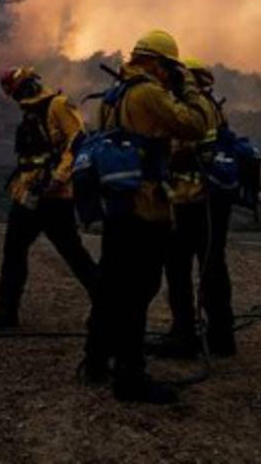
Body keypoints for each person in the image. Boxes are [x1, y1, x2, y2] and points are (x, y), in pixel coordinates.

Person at [82, 30, 210, 404]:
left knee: (110, 286)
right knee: (138, 291)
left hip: (117, 207)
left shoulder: (113, 95)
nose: (173, 72)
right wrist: (190, 88)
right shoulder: (148, 93)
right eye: (171, 66)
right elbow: (195, 126)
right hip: (145, 207)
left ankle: (95, 359)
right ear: (156, 62)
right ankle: (130, 377)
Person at [0, 66, 99, 330]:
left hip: (55, 195)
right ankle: (6, 311)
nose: (19, 98)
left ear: (30, 84)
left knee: (71, 252)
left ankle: (106, 304)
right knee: (15, 249)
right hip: (30, 193)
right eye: (16, 94)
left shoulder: (58, 105)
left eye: (20, 91)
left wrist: (59, 177)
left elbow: (77, 142)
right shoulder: (32, 112)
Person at [151, 58, 237, 359]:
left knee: (178, 268)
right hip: (211, 200)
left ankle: (184, 335)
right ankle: (221, 337)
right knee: (213, 267)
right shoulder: (210, 104)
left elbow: (184, 148)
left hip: (193, 201)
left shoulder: (195, 108)